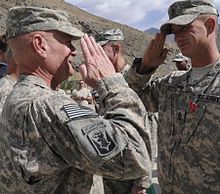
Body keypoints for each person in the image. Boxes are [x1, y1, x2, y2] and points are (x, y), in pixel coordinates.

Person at [0, 6, 153, 194]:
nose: (73, 51)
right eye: (67, 42)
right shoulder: (46, 104)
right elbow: (134, 158)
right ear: (40, 45)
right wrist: (112, 83)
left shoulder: (21, 95)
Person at [126, 0, 220, 193]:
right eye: (175, 31)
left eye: (185, 28)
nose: (178, 37)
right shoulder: (172, 83)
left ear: (210, 25)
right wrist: (145, 67)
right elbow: (132, 100)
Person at [96, 29, 159, 194]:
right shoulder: (106, 82)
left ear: (116, 49)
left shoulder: (136, 81)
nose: (94, 58)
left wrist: (142, 182)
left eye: (99, 52)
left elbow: (148, 132)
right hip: (113, 172)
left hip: (134, 179)